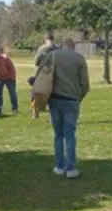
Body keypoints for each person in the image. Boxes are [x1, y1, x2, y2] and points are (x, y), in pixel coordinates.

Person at [49, 38, 90, 179]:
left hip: (54, 98)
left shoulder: (53, 56)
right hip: (72, 99)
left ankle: (59, 166)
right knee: (70, 134)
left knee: (58, 134)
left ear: (62, 46)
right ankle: (71, 168)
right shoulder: (79, 58)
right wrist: (80, 96)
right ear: (73, 47)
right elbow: (84, 83)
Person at [30, 33, 58, 119]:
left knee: (37, 93)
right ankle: (52, 116)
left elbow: (37, 61)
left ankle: (35, 113)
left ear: (45, 39)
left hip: (43, 73)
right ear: (53, 39)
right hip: (54, 73)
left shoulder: (42, 48)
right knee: (53, 95)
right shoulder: (58, 49)